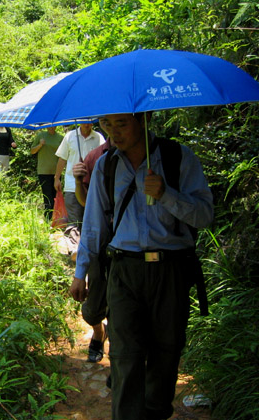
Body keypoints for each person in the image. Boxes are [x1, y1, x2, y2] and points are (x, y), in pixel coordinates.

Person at [72, 112, 214, 420]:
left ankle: (155, 412)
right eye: (106, 125)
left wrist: (165, 194)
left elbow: (204, 215)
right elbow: (94, 224)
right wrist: (80, 272)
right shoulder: (107, 166)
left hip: (171, 271)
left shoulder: (178, 158)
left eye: (121, 123)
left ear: (143, 120)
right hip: (124, 270)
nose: (113, 133)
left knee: (167, 350)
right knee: (125, 355)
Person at [71, 136, 112, 363]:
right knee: (93, 308)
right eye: (108, 122)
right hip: (100, 245)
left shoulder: (149, 159)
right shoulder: (96, 157)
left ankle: (119, 360)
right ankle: (98, 331)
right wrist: (78, 181)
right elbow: (87, 205)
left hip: (132, 251)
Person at [54, 123, 104, 237]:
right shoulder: (69, 136)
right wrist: (57, 178)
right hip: (72, 186)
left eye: (89, 121)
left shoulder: (98, 138)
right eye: (84, 121)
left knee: (91, 221)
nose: (87, 124)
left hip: (92, 187)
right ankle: (74, 250)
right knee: (74, 222)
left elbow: (104, 158)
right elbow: (62, 158)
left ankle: (87, 248)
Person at [30, 126, 64, 221]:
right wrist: (40, 145)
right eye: (49, 126)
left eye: (53, 126)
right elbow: (32, 151)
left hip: (56, 172)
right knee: (47, 196)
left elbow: (64, 154)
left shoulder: (60, 138)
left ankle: (57, 218)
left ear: (56, 126)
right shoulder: (41, 135)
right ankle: (48, 219)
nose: (51, 128)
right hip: (43, 171)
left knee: (56, 196)